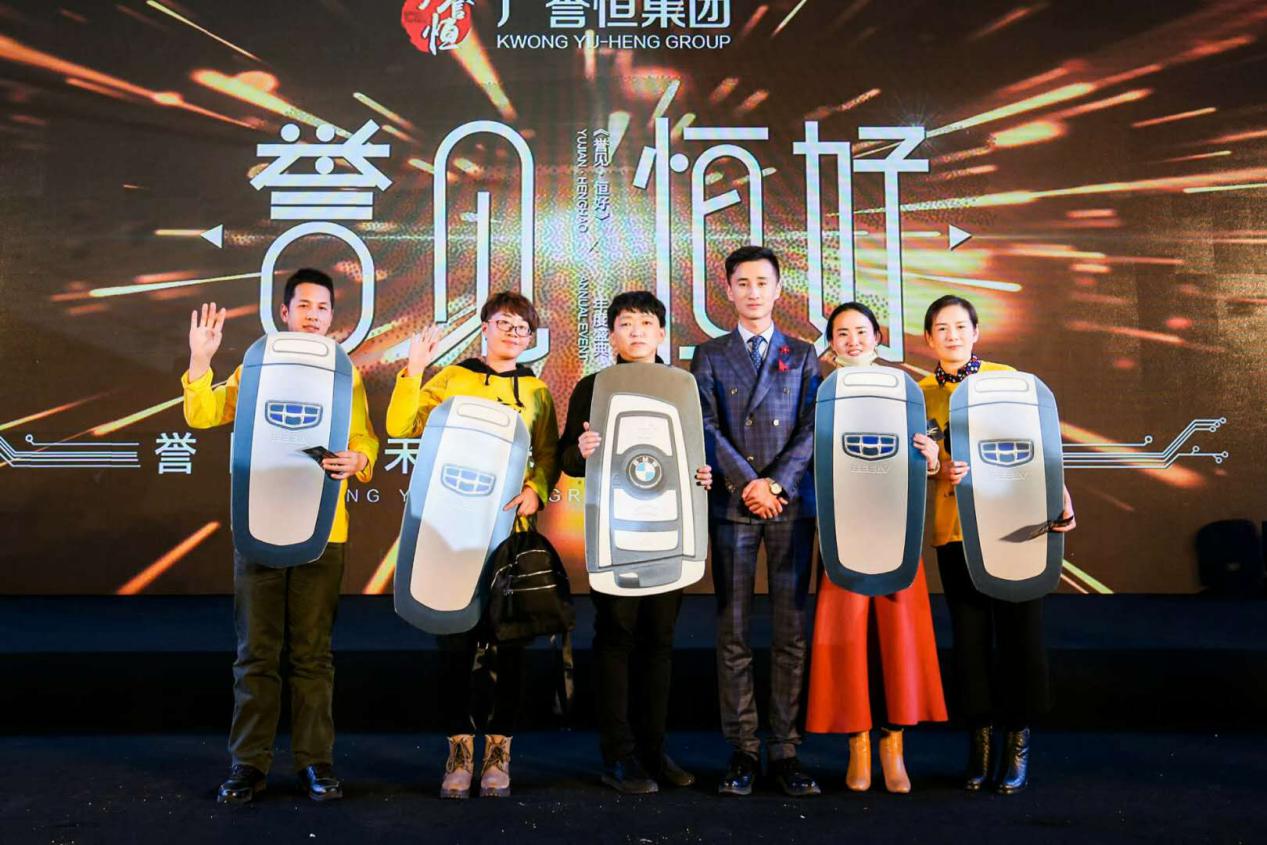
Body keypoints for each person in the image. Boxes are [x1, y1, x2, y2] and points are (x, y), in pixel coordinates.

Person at [183, 268, 380, 804]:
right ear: (285, 311)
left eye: (323, 307)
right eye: (305, 305)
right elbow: (203, 413)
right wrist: (201, 360)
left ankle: (316, 763)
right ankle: (248, 765)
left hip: (323, 530)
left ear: (332, 316)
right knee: (256, 653)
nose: (314, 315)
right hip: (261, 524)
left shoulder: (343, 374)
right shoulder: (258, 367)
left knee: (313, 655)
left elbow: (364, 438)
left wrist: (359, 459)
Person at [385, 291, 559, 799]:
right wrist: (414, 371)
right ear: (485, 327)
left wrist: (536, 490)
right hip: (451, 529)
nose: (513, 334)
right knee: (454, 643)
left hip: (510, 537)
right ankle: (459, 751)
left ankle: (499, 753)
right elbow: (400, 425)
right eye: (504, 323)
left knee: (511, 647)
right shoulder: (453, 378)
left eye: (522, 328)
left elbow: (547, 453)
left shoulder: (537, 391)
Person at [919, 294, 1077, 795]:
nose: (952, 335)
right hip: (956, 530)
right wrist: (937, 468)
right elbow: (906, 465)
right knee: (969, 643)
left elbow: (1039, 447)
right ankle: (980, 743)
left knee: (1021, 635)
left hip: (1016, 525)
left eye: (960, 326)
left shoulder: (1010, 381)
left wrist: (1062, 498)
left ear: (976, 333)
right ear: (928, 338)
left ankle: (1017, 741)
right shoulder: (918, 395)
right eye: (941, 328)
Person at [556, 291, 712, 795]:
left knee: (659, 642)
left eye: (646, 323)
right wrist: (580, 450)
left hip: (671, 529)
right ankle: (619, 755)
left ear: (662, 333)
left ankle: (653, 751)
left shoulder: (683, 387)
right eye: (626, 323)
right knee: (616, 639)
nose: (637, 331)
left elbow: (697, 454)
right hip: (615, 532)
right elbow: (567, 460)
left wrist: (705, 475)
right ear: (612, 335)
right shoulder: (594, 387)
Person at [690, 245, 822, 797]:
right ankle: (743, 749)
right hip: (733, 503)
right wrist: (748, 483)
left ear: (778, 288)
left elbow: (813, 426)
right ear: (728, 290)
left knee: (791, 632)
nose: (752, 292)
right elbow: (704, 425)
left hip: (789, 504)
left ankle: (786, 750)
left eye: (762, 282)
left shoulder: (803, 353)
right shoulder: (709, 354)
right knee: (735, 632)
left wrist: (777, 485)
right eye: (742, 283)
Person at [805, 302, 947, 793]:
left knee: (896, 639)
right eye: (842, 333)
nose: (853, 341)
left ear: (878, 337)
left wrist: (931, 458)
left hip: (894, 531)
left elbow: (926, 455)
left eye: (861, 331)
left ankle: (894, 747)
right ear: (830, 343)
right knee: (849, 643)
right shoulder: (819, 391)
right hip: (841, 533)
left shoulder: (904, 389)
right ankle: (859, 747)